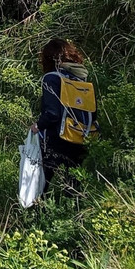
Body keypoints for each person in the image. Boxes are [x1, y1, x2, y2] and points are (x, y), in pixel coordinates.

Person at [30, 38, 97, 190]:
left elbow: (52, 113)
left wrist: (37, 126)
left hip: (57, 137)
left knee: (42, 181)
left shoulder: (52, 78)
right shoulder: (82, 77)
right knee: (73, 183)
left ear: (48, 58)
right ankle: (71, 211)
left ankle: (37, 211)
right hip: (81, 135)